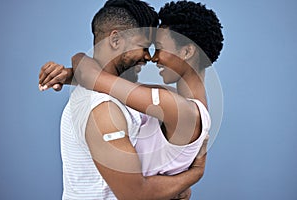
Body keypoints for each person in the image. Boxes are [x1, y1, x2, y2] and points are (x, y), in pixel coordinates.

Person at [40, 0, 210, 199]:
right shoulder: (103, 109)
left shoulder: (119, 98)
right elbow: (136, 194)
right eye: (144, 46)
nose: (149, 56)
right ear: (115, 39)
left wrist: (75, 69)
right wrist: (194, 174)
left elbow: (91, 74)